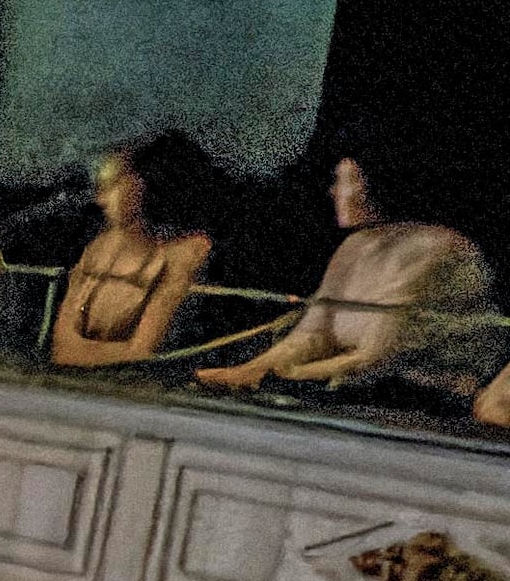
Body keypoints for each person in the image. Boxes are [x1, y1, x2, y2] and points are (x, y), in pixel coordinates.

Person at [200, 148, 494, 406]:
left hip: (419, 401)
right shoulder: (356, 245)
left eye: (345, 180)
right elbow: (313, 335)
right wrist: (246, 371)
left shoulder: (435, 248)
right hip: (350, 390)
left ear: (373, 185)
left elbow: (375, 359)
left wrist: (280, 376)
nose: (333, 191)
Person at [42, 134, 221, 371]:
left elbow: (143, 353)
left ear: (144, 184)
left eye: (112, 183)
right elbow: (61, 348)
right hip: (75, 385)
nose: (100, 199)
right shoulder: (98, 248)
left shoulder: (189, 250)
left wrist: (85, 353)